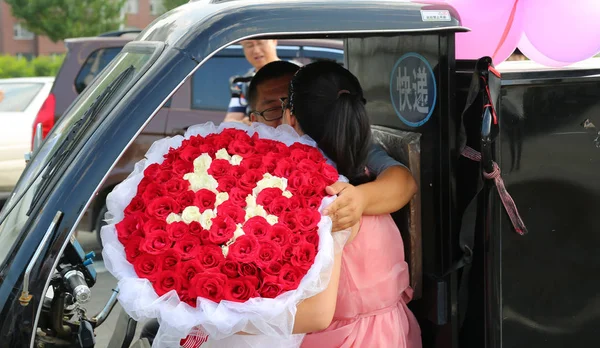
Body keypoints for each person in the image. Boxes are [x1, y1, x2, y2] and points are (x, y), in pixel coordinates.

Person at [280, 61, 422, 347]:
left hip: (337, 336)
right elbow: (404, 181)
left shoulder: (312, 190)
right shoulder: (364, 165)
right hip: (388, 332)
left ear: (290, 116)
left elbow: (405, 182)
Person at [247, 60, 417, 231]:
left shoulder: (343, 148)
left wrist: (360, 198)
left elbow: (404, 182)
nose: (283, 117)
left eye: (292, 105)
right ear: (254, 121)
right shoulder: (245, 165)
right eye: (273, 110)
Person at [224, 39, 280, 124]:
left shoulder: (298, 74)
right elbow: (229, 121)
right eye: (249, 45)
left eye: (260, 43)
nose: (256, 51)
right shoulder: (242, 84)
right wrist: (244, 123)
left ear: (274, 41)